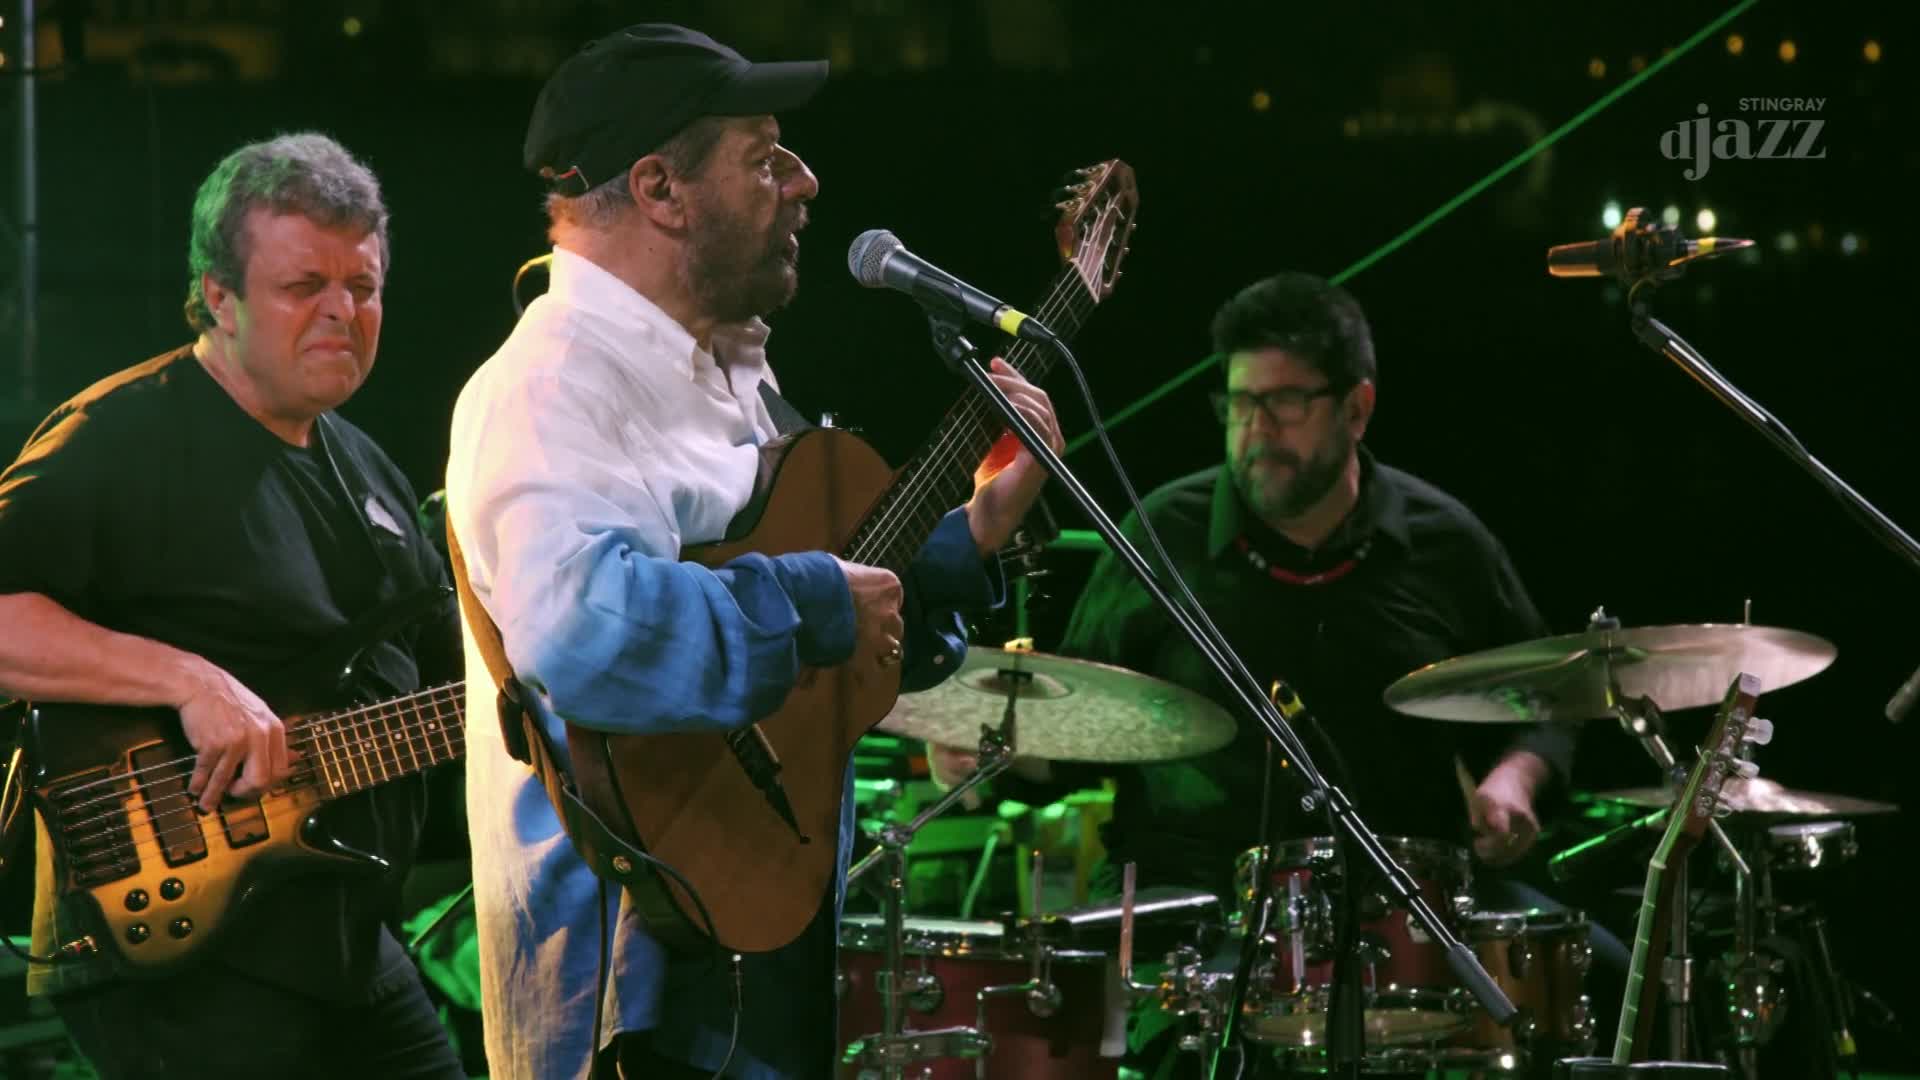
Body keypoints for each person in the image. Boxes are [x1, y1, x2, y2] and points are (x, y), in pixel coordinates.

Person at [443, 23, 1064, 1080]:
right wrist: (813, 601)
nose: (805, 182)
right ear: (660, 189)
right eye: (766, 158)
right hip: (638, 990)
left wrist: (970, 537)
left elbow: (818, 647)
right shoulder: (553, 384)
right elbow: (580, 630)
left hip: (755, 926)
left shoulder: (726, 374)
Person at [932, 271, 1626, 1077]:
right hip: (1194, 911)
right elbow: (1080, 723)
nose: (1256, 429)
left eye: (1286, 403)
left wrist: (1516, 780)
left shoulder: (1445, 544)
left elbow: (1547, 699)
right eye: (1239, 403)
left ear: (1357, 408)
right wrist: (990, 747)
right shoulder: (1163, 535)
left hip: (1410, 904)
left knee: (1607, 979)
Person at [0, 133, 465, 1079]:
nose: (342, 311)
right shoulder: (123, 433)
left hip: (347, 939)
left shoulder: (366, 467)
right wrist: (188, 680)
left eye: (363, 287)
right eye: (305, 286)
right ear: (219, 296)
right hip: (186, 955)